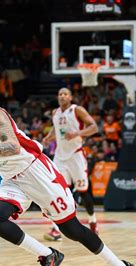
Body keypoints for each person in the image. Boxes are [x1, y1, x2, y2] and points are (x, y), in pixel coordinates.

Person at [0, 73, 135, 266]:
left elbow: (14, 146)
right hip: (11, 179)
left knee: (72, 229)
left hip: (36, 171)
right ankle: (47, 255)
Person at [42, 88, 99, 241]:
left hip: (76, 156)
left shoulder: (77, 110)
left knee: (83, 191)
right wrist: (48, 138)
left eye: (65, 94)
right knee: (58, 191)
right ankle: (55, 229)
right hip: (60, 157)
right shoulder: (55, 113)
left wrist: (77, 133)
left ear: (71, 97)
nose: (62, 96)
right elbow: (56, 128)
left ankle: (92, 221)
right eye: (60, 94)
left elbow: (94, 127)